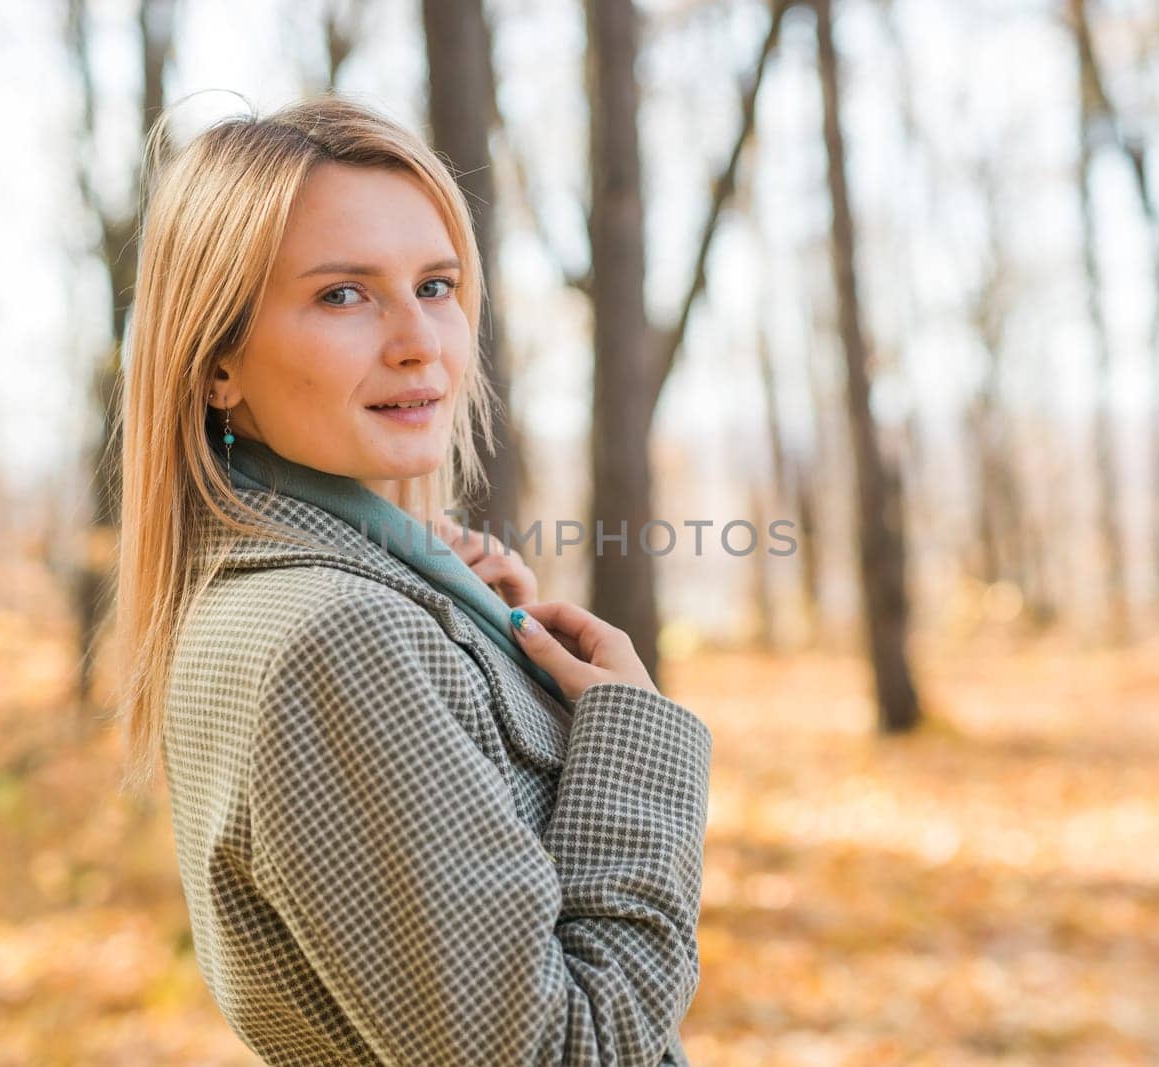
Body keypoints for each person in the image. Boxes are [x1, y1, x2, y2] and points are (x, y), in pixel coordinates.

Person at [110, 93, 713, 1066]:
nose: (419, 339)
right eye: (342, 294)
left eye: (436, 284)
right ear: (217, 360)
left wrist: (481, 647)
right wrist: (633, 737)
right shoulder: (333, 635)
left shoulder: (292, 595)